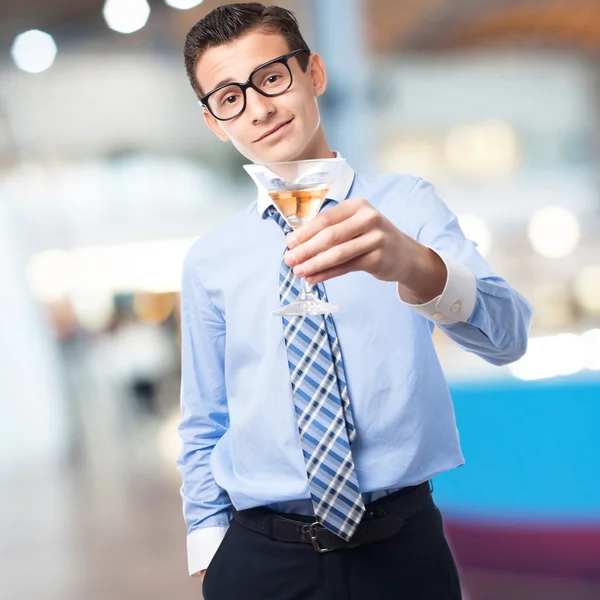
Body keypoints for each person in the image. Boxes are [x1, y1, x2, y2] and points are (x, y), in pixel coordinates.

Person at [176, 3, 533, 599]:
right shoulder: (210, 259)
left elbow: (509, 338)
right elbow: (204, 421)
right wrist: (213, 559)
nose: (258, 108)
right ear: (215, 122)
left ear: (313, 73)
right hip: (261, 558)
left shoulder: (409, 205)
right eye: (228, 97)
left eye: (270, 78)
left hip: (402, 551)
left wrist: (416, 267)